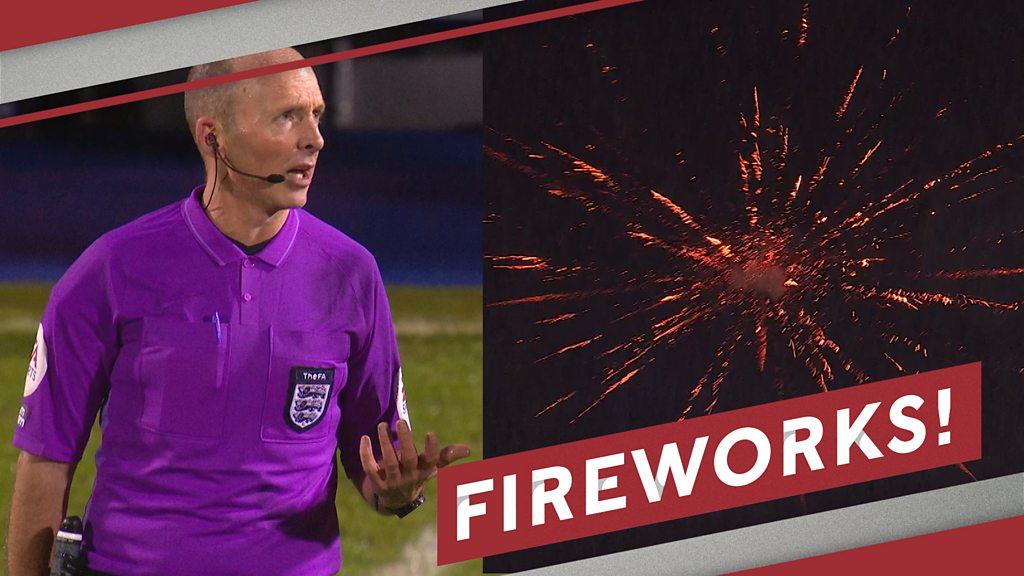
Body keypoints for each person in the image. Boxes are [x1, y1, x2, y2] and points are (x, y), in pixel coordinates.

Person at [7, 48, 470, 576]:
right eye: (286, 116)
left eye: (316, 114)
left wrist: (397, 491)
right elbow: (46, 459)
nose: (314, 139)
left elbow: (376, 465)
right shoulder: (111, 270)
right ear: (213, 138)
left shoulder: (351, 274)